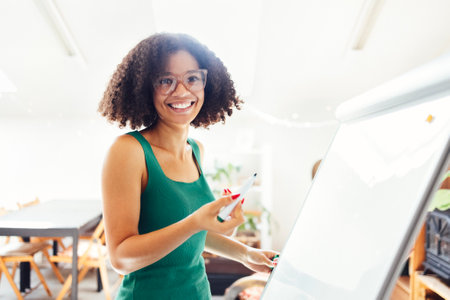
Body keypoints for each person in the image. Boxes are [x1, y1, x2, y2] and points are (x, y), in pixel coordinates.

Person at [98, 33, 278, 300]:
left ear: (207, 83)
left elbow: (190, 237)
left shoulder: (195, 150)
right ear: (146, 87)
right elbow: (121, 258)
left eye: (192, 78)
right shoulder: (128, 151)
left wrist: (245, 253)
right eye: (166, 80)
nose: (182, 91)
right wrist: (194, 222)